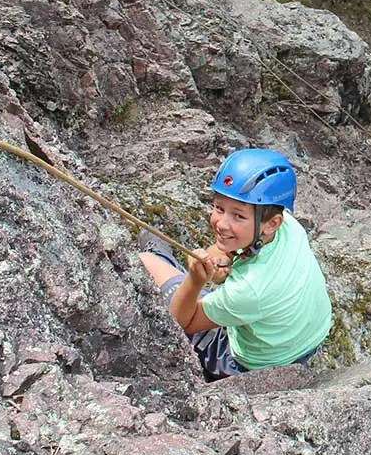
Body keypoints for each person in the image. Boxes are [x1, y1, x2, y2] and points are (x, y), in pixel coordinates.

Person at [138, 148, 333, 382]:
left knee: (147, 262)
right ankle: (166, 257)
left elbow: (180, 323)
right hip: (301, 342)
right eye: (219, 208)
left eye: (238, 216)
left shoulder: (248, 291)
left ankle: (159, 256)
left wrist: (195, 280)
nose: (221, 223)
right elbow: (225, 249)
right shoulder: (288, 225)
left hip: (245, 364)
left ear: (271, 223)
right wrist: (223, 257)